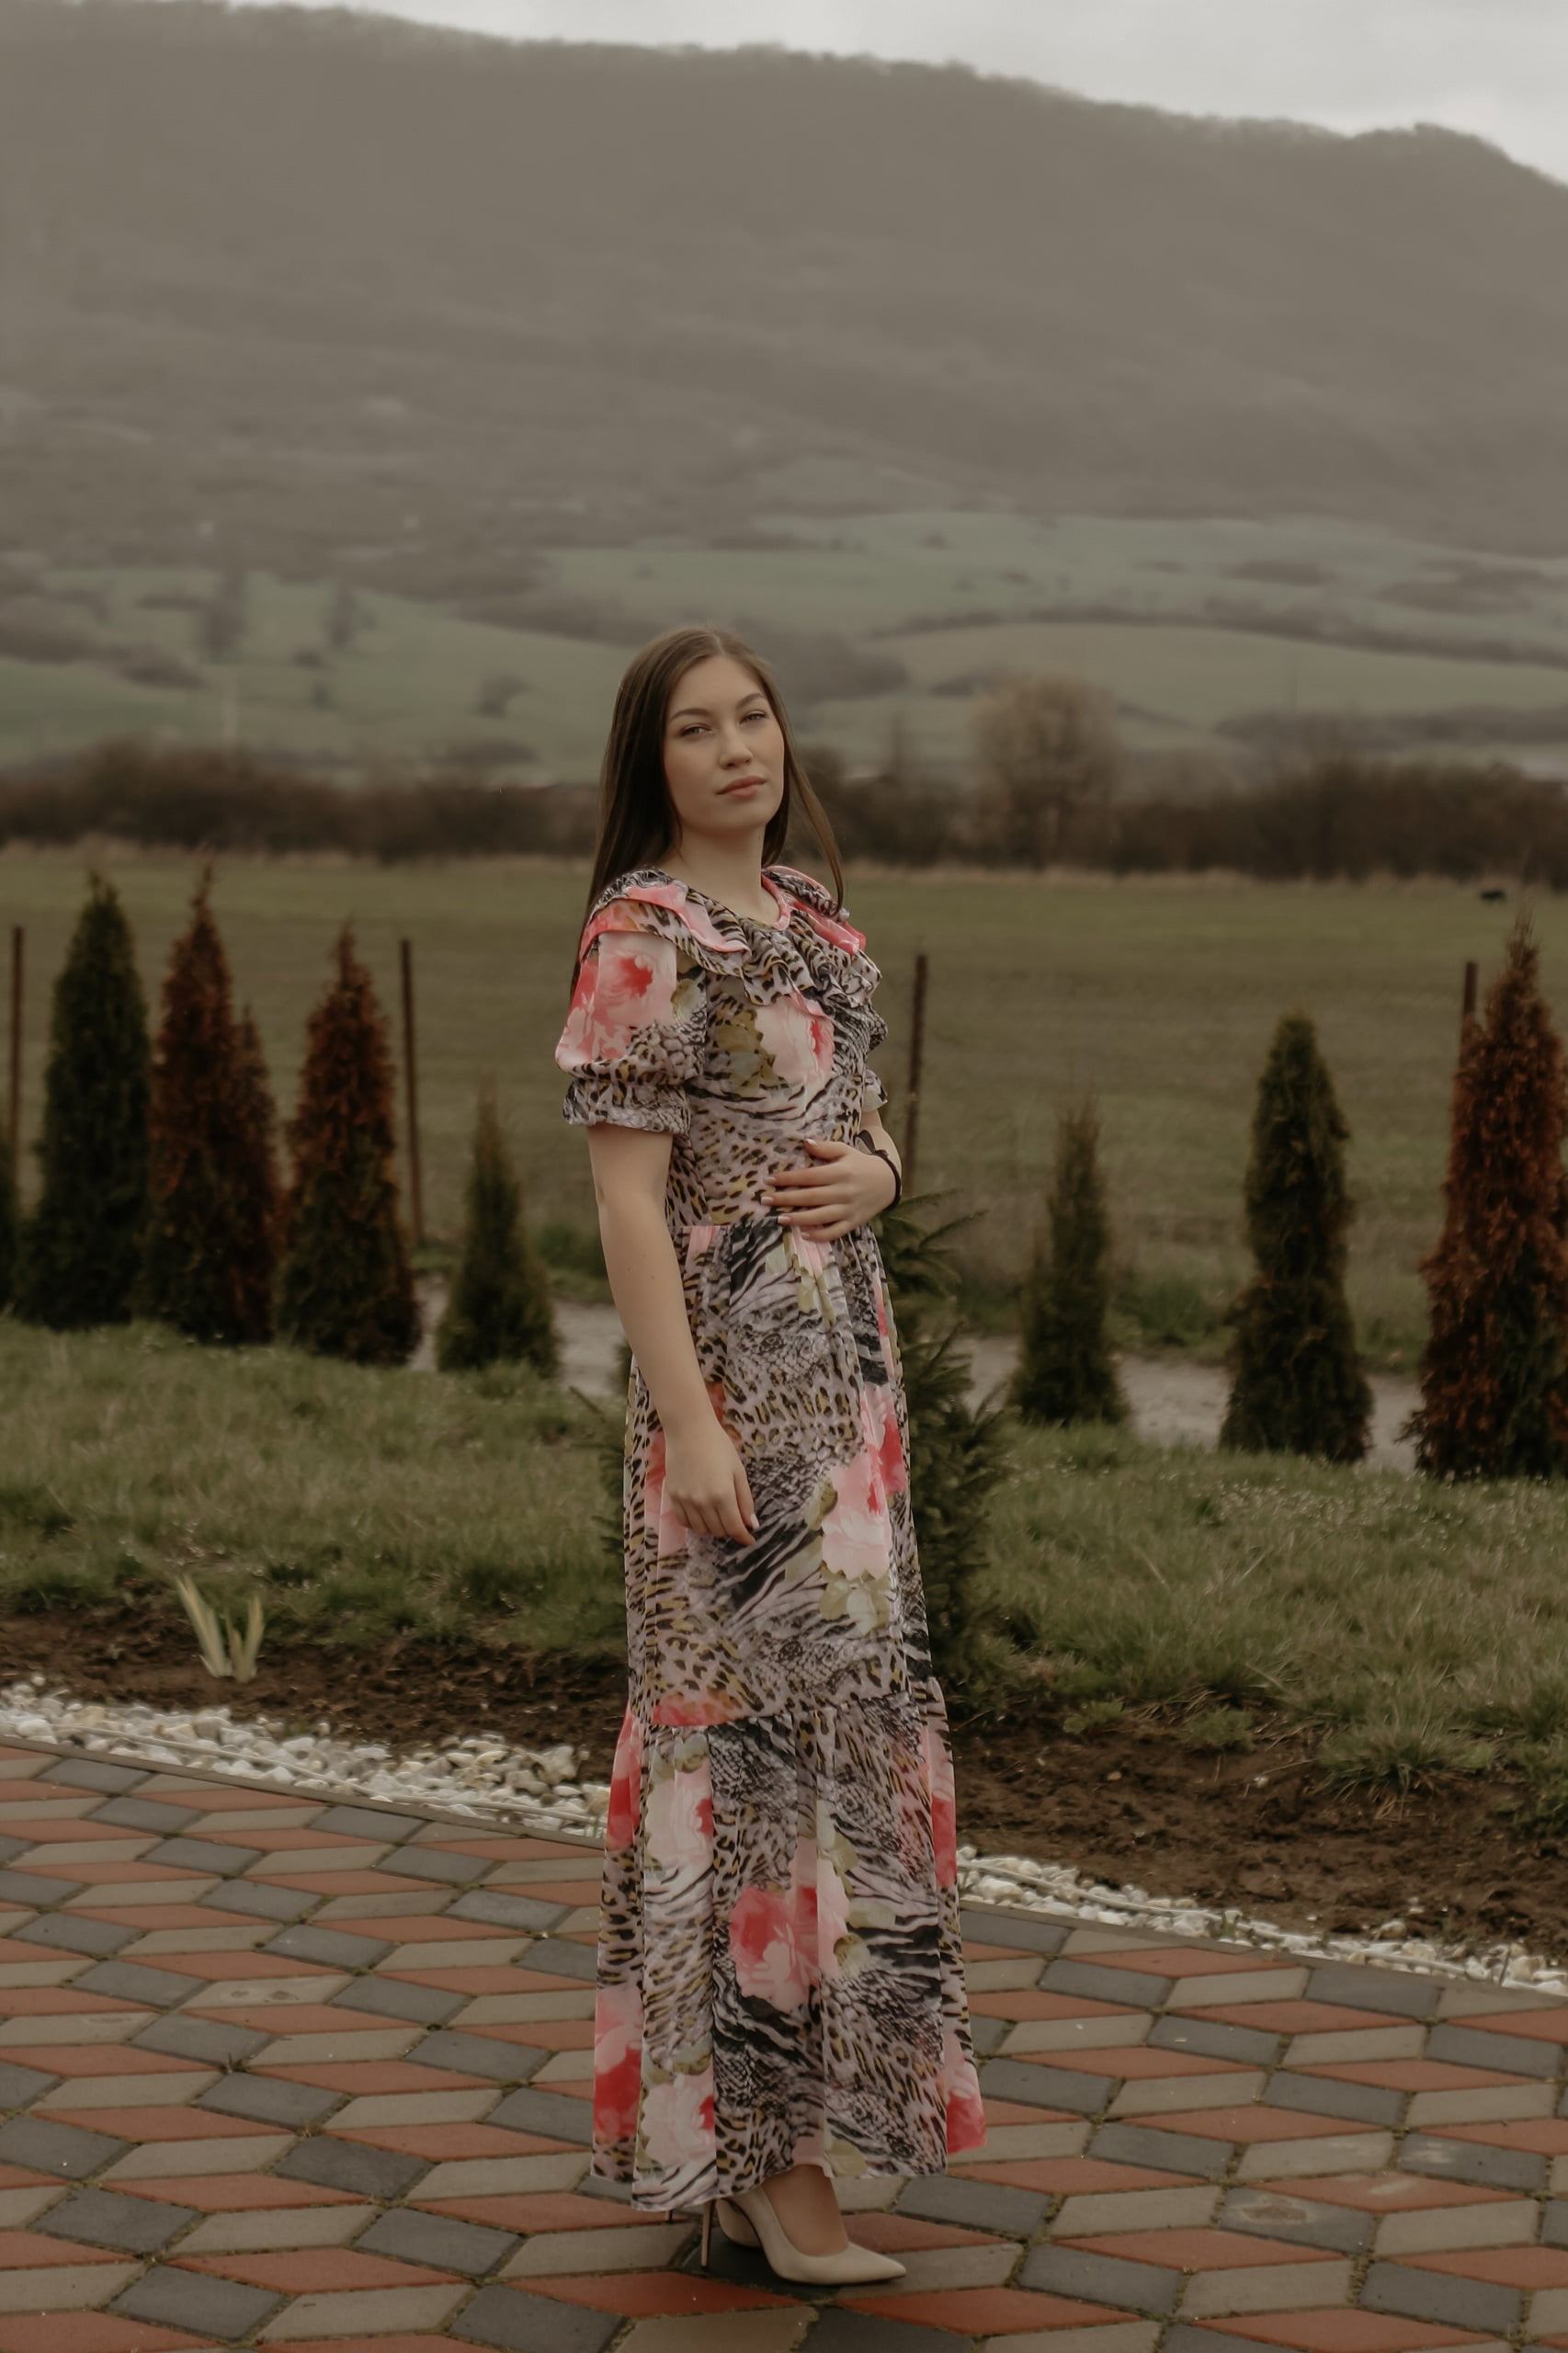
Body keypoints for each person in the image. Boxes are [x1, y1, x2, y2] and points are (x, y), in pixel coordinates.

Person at [554, 623, 984, 2288]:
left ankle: (774, 2148)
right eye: (695, 728)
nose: (736, 748)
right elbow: (625, 1202)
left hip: (847, 1396)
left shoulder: (806, 916)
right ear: (648, 761)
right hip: (732, 1391)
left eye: (754, 717)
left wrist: (882, 1167)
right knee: (738, 1763)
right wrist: (687, 1421)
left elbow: (848, 1116)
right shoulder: (643, 933)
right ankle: (759, 2161)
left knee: (840, 1743)